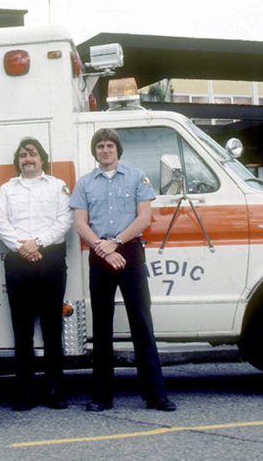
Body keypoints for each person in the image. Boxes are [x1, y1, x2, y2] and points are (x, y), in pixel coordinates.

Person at [70, 128, 177, 413]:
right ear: (95, 152)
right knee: (102, 327)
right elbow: (81, 223)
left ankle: (156, 395)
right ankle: (101, 397)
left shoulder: (135, 176)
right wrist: (102, 247)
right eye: (100, 146)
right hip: (99, 252)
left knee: (141, 323)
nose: (105, 150)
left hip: (128, 249)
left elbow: (144, 218)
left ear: (118, 150)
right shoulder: (84, 183)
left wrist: (116, 243)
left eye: (109, 146)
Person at [0, 137, 72, 411]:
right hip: (17, 259)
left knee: (52, 327)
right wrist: (23, 246)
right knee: (22, 329)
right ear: (18, 160)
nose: (28, 158)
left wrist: (37, 243)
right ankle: (24, 391)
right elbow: (0, 222)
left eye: (32, 154)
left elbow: (65, 221)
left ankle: (54, 389)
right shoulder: (6, 189)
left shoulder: (58, 186)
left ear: (42, 159)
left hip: (50, 257)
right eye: (23, 154)